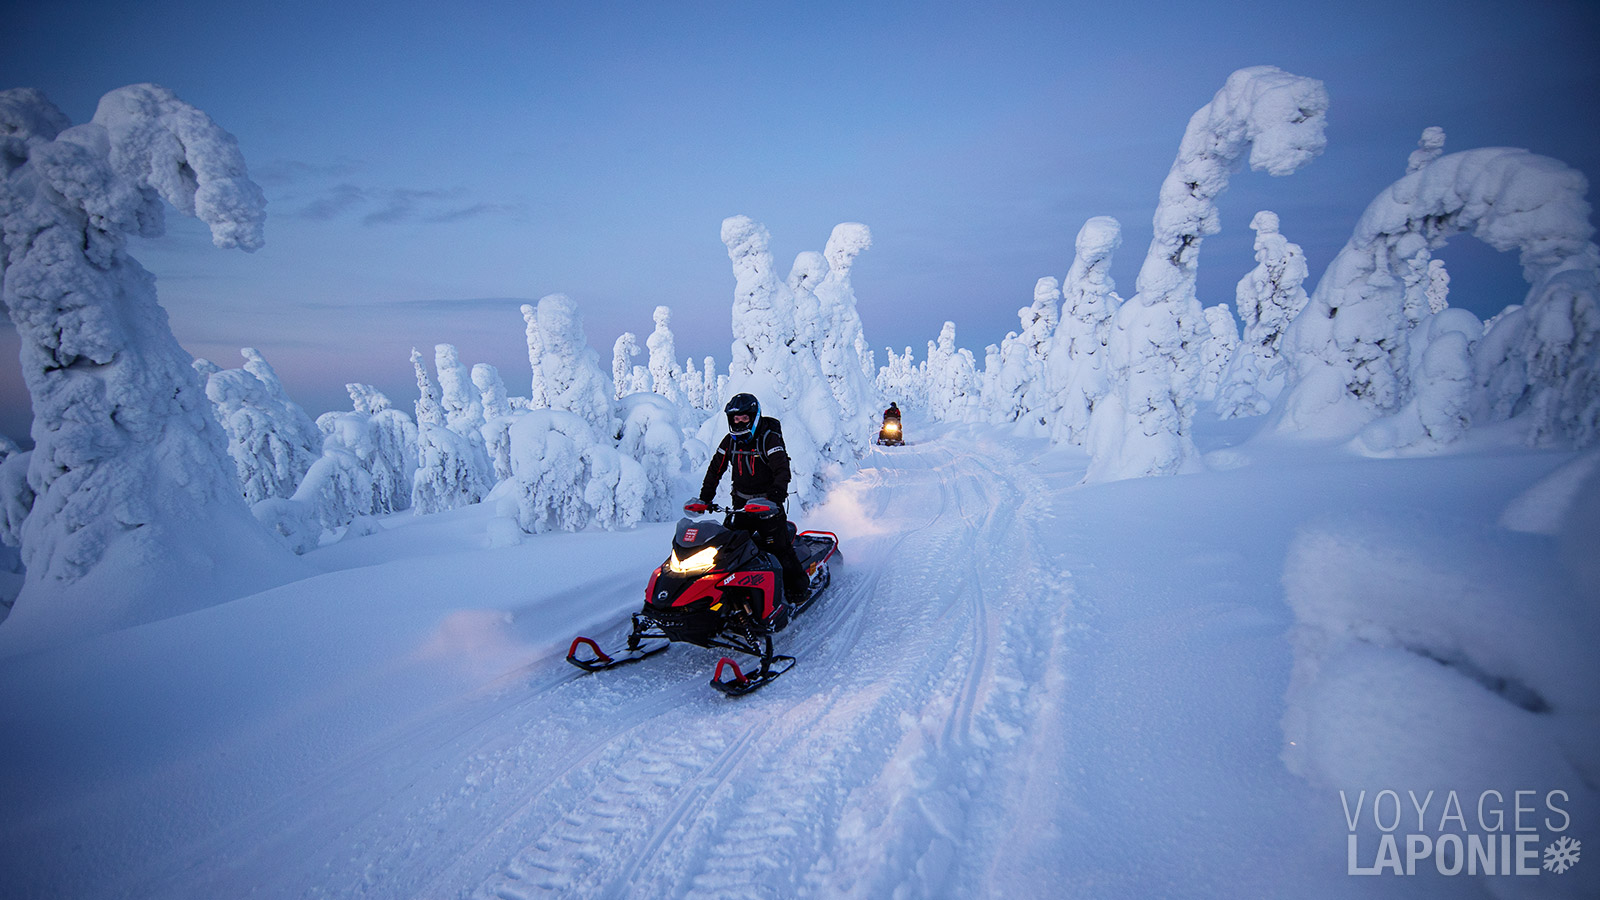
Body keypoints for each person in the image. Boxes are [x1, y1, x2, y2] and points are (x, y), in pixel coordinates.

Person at [690, 393, 809, 607]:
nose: (739, 422)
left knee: (778, 548)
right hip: (741, 507)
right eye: (735, 419)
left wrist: (774, 497)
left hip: (768, 507)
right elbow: (715, 470)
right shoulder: (730, 442)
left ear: (753, 417)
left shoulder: (768, 438)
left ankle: (799, 588)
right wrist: (704, 499)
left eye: (744, 418)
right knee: (726, 549)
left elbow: (782, 470)